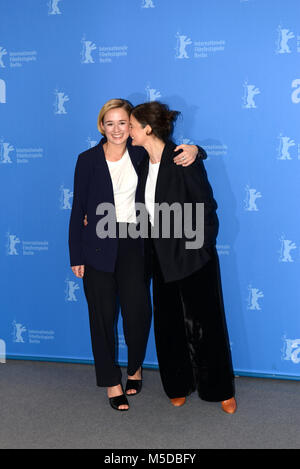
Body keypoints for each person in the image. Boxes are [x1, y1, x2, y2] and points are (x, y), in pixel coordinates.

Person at [68, 98, 202, 411]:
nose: (116, 129)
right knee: (101, 318)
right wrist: (76, 254)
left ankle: (135, 367)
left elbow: (171, 153)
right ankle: (112, 383)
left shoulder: (141, 153)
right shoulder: (86, 160)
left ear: (133, 127)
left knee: (138, 314)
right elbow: (78, 210)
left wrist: (196, 149)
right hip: (97, 243)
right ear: (102, 125)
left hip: (135, 242)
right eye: (109, 123)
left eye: (123, 123)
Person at [130, 101, 237, 414]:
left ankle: (220, 390)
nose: (129, 131)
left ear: (148, 129)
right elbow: (107, 143)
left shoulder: (182, 159)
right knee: (169, 325)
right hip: (159, 259)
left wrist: (200, 248)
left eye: (133, 126)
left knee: (208, 326)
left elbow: (205, 206)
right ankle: (177, 385)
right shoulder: (138, 162)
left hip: (193, 256)